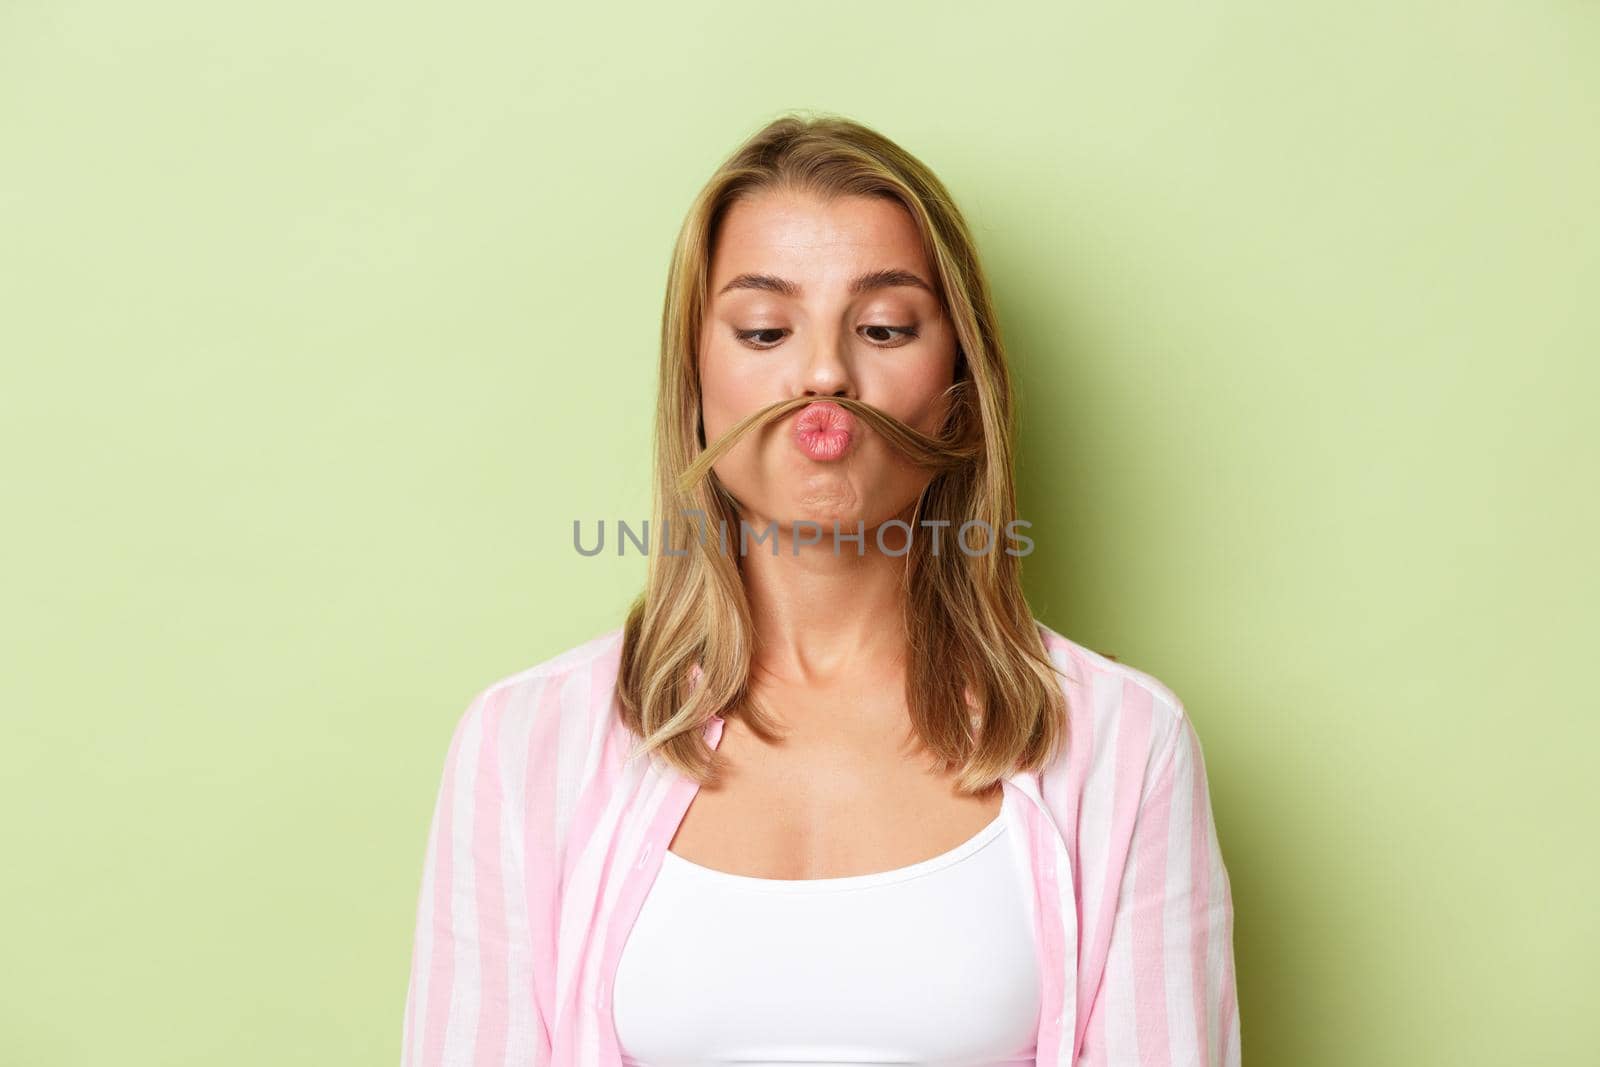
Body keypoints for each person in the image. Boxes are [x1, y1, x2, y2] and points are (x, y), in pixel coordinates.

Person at [399, 112, 1240, 1067]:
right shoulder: (522, 746)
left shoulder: (1127, 747)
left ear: (960, 390)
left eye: (883, 327)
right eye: (765, 329)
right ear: (697, 380)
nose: (825, 373)